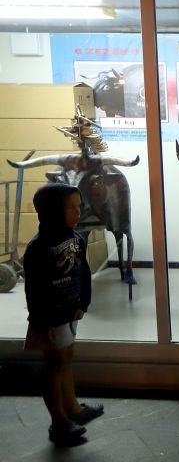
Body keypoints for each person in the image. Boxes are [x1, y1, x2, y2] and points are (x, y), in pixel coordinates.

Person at [22, 183, 103, 447]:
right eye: (71, 208)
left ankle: (73, 409)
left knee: (66, 358)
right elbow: (33, 289)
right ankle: (58, 422)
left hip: (70, 311)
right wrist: (41, 322)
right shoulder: (38, 248)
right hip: (50, 318)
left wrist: (84, 303)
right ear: (52, 211)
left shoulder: (76, 239)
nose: (78, 213)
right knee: (54, 366)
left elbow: (84, 273)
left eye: (78, 206)